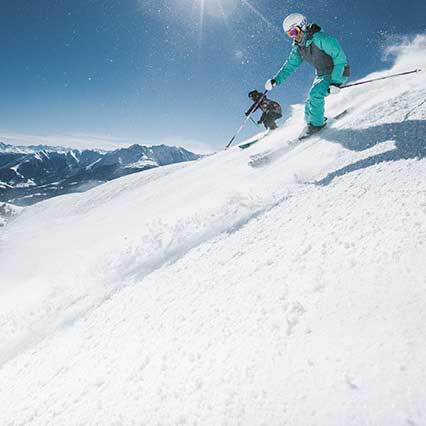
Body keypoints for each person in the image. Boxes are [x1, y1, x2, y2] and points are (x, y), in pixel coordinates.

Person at [265, 13, 350, 138]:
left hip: (336, 71)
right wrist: (275, 80)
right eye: (290, 34)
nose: (293, 36)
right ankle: (310, 123)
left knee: (315, 94)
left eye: (294, 31)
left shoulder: (320, 39)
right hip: (321, 75)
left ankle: (317, 125)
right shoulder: (298, 48)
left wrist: (336, 81)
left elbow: (340, 58)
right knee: (309, 101)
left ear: (303, 26)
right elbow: (290, 65)